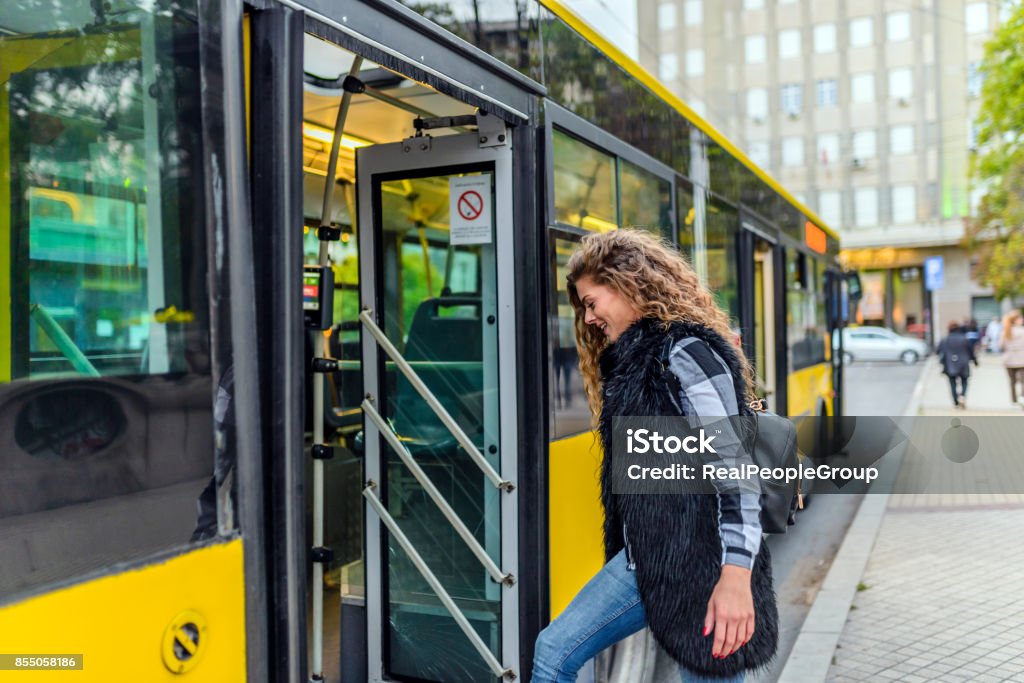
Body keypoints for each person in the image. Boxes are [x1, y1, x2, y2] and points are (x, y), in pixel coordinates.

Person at [531, 230, 776, 683]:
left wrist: (737, 577)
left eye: (591, 301)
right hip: (650, 559)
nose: (588, 318)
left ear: (627, 284)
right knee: (553, 652)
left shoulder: (686, 353)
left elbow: (736, 473)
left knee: (555, 654)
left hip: (702, 562)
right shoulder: (637, 361)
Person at [936, 321, 977, 409]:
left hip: (950, 364)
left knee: (952, 383)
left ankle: (955, 401)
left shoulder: (945, 339)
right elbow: (971, 351)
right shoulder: (964, 338)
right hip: (964, 363)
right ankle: (962, 395)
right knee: (965, 381)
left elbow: (938, 351)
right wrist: (975, 361)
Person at [1001, 310, 1024, 407]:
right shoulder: (1022, 331)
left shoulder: (1006, 331)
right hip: (1021, 359)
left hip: (1009, 360)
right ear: (1016, 320)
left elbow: (1000, 345)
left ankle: (1013, 401)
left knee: (1012, 382)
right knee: (1023, 381)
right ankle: (1022, 398)